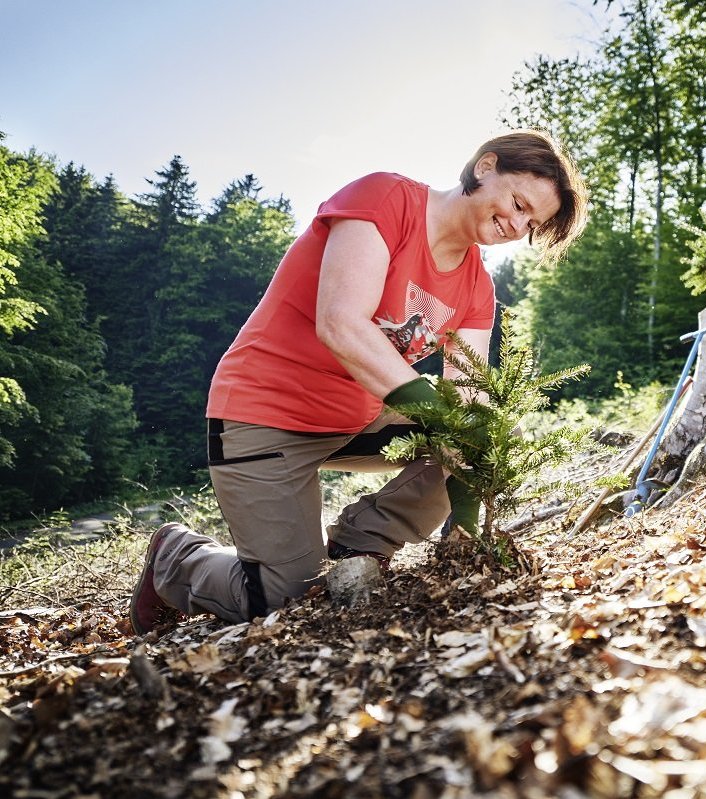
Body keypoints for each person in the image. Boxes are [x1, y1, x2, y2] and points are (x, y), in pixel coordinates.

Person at [130, 131, 588, 632]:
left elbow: (470, 396)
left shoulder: (477, 285)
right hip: (264, 414)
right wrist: (439, 416)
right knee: (284, 599)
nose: (516, 225)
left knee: (487, 432)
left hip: (357, 418)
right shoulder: (385, 199)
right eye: (519, 204)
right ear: (485, 167)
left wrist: (468, 521)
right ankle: (176, 556)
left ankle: (363, 542)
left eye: (531, 223)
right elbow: (341, 323)